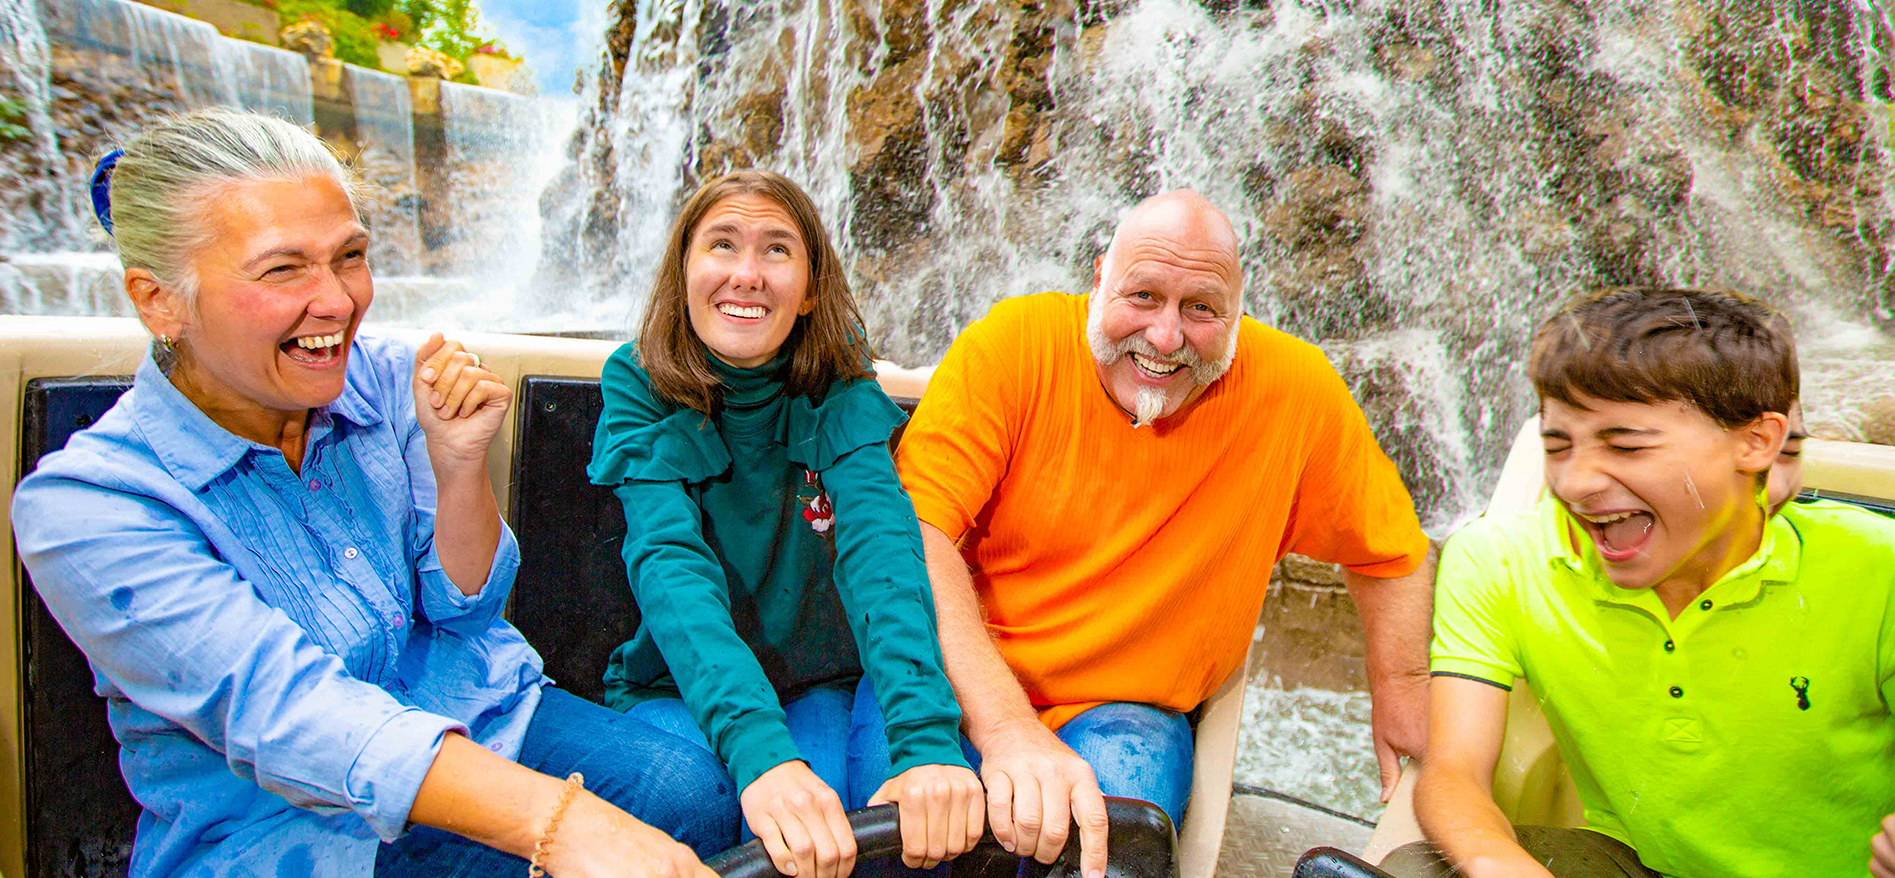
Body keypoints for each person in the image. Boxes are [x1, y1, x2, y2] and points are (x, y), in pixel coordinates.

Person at [13, 109, 739, 878]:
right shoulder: (86, 509)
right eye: (283, 269)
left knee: (688, 797)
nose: (337, 301)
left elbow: (464, 608)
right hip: (289, 824)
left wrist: (461, 464)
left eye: (349, 256)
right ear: (160, 301)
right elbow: (289, 711)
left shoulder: (386, 379)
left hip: (467, 708)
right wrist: (562, 824)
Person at [894, 189, 1435, 878]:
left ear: (1239, 310)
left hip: (1127, 715)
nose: (1165, 338)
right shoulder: (1012, 346)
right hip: (944, 683)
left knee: (1113, 845)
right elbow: (914, 535)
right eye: (1143, 296)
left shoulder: (1295, 392)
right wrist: (1004, 728)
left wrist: (1401, 683)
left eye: (1201, 308)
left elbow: (1389, 550)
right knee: (897, 841)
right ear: (1099, 282)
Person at [1388, 288, 1895, 878]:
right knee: (1419, 868)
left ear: (1756, 442)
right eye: (1558, 446)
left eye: (1625, 445)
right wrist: (1495, 862)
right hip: (1636, 864)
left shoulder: (1878, 567)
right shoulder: (1496, 559)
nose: (1576, 482)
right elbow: (1452, 772)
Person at [590, 170, 984, 878]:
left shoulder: (838, 381)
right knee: (708, 804)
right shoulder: (639, 383)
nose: (747, 274)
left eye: (776, 250)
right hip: (678, 684)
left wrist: (928, 741)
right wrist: (762, 755)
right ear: (683, 272)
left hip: (820, 679)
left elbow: (882, 556)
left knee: (857, 826)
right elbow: (671, 571)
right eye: (722, 246)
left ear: (808, 290)